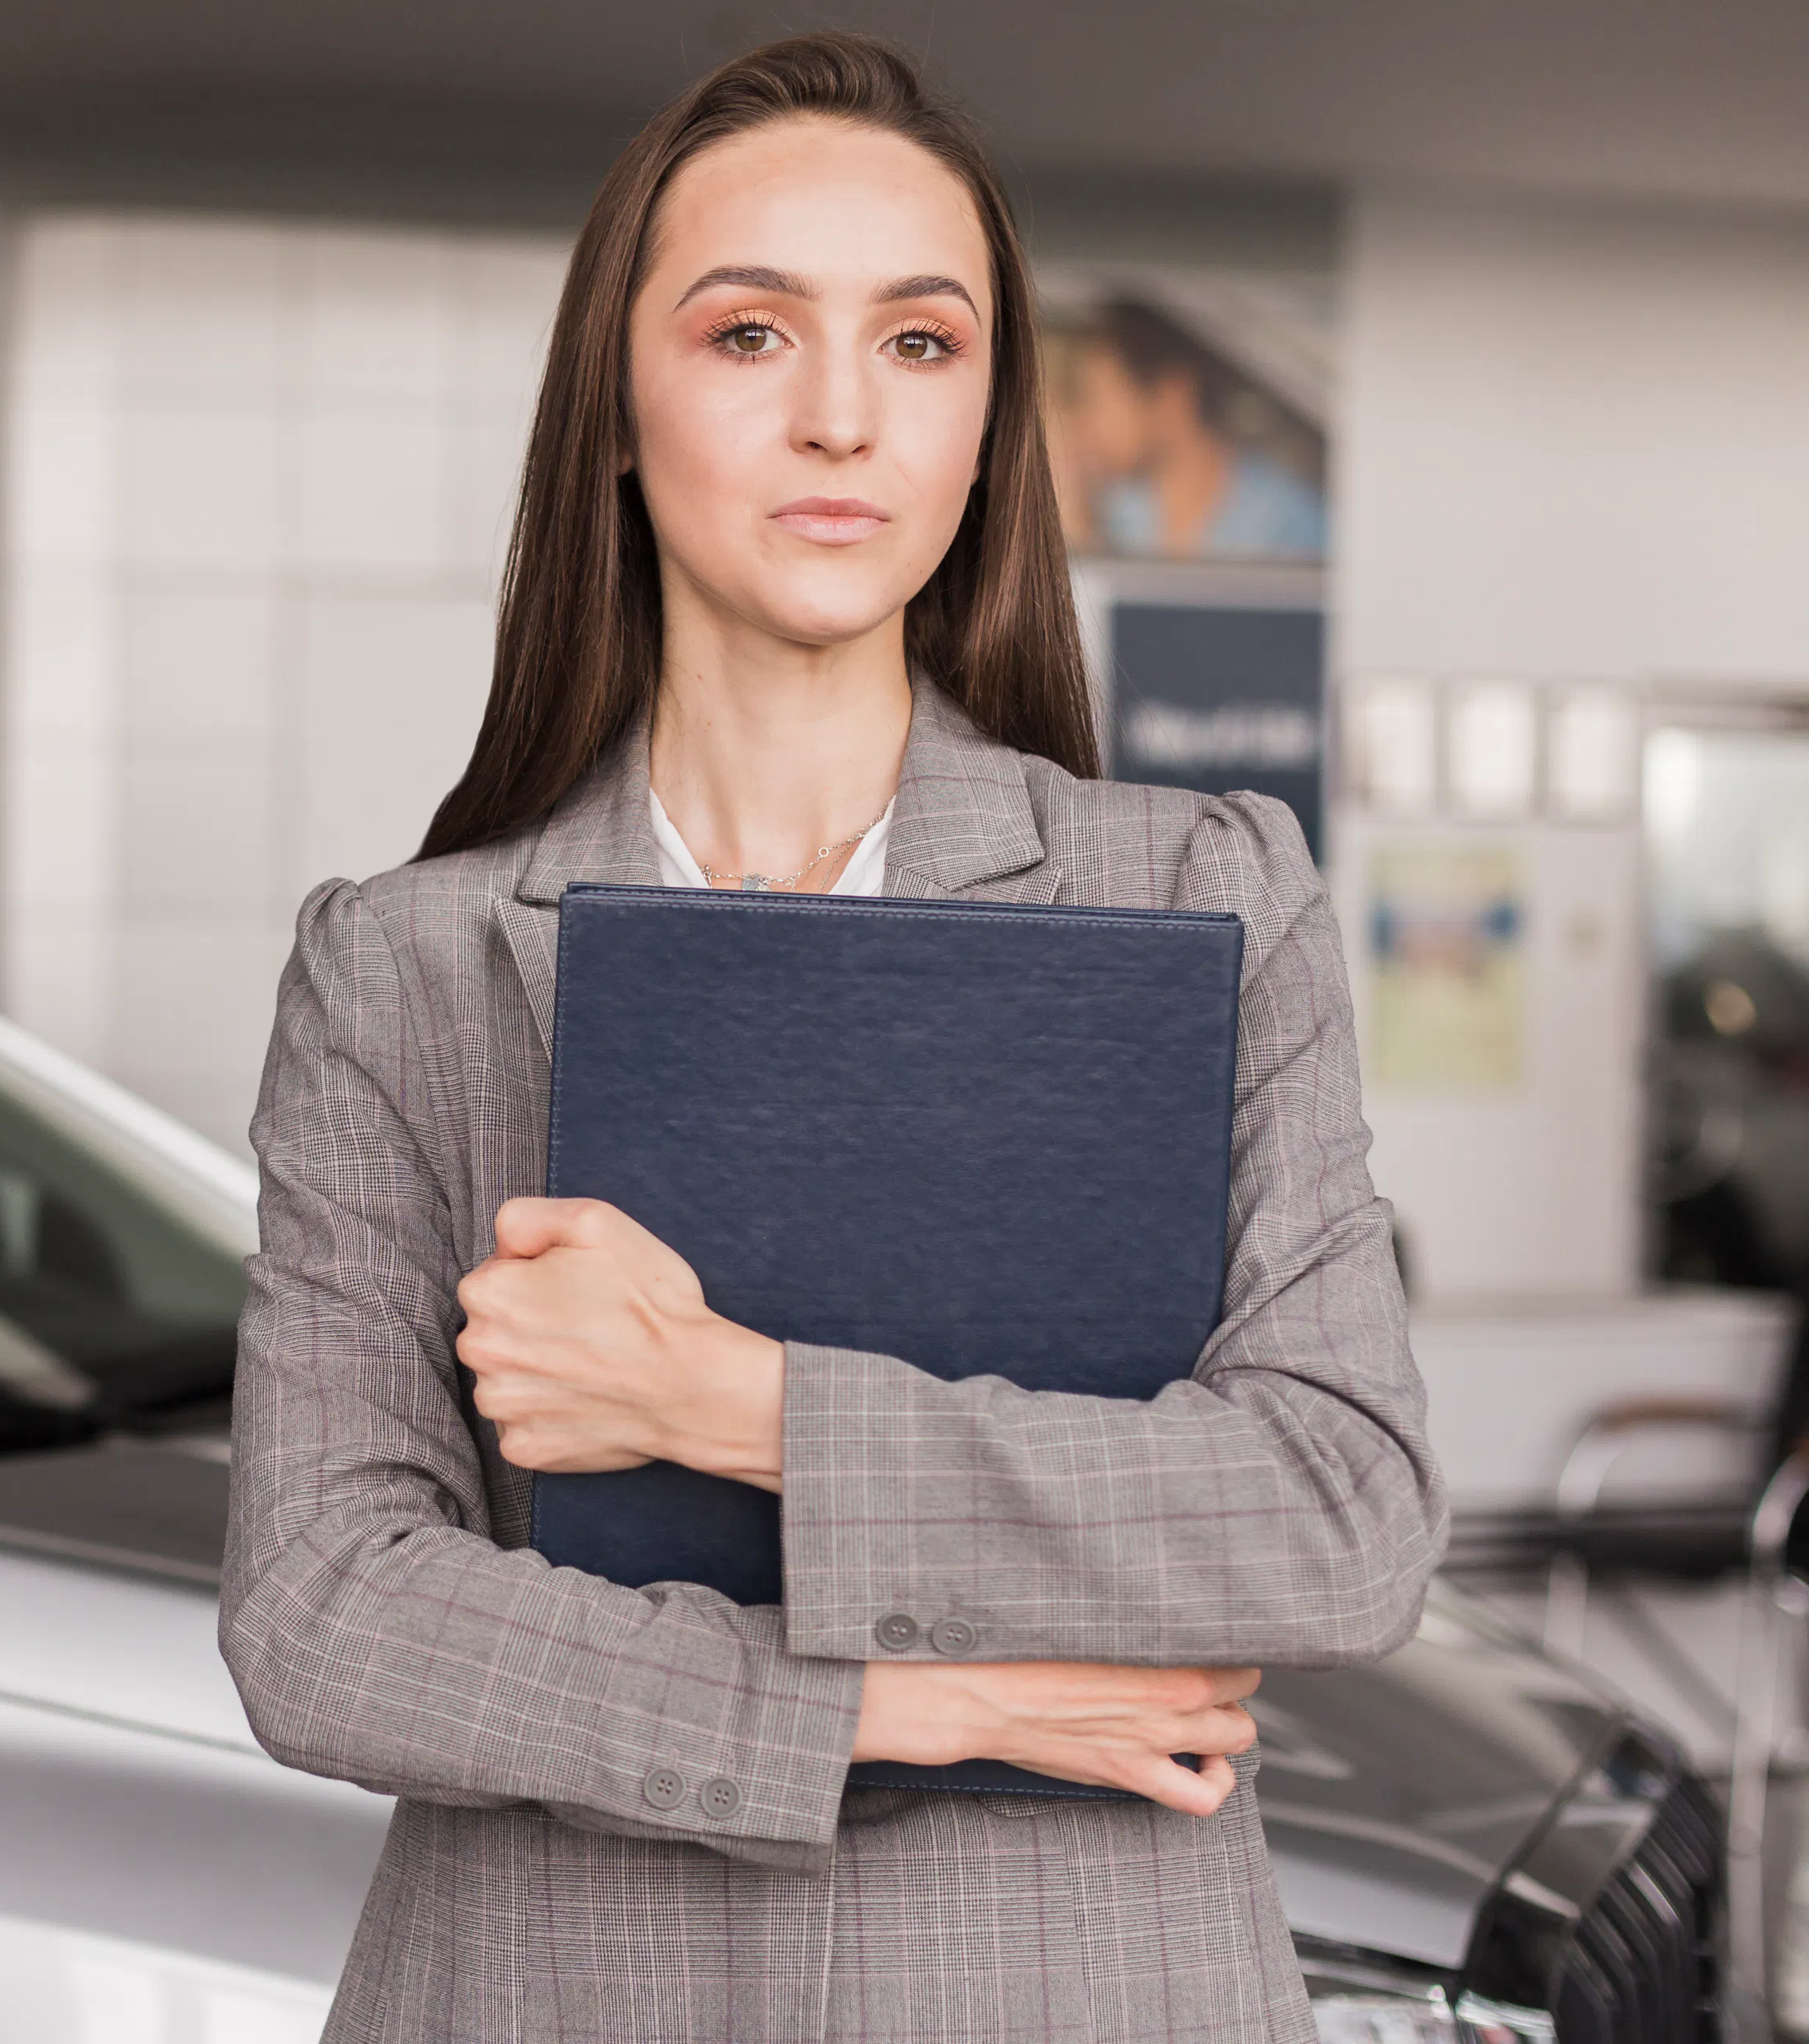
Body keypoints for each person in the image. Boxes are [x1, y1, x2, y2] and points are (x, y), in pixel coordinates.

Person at [222, 34, 1441, 2044]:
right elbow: (325, 1614)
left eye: (918, 343)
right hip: (559, 1975)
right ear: (615, 412)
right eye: (745, 332)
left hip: (1077, 1979)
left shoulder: (1198, 899)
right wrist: (893, 1701)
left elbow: (1332, 1513)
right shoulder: (404, 968)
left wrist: (729, 1399)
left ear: (985, 427)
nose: (835, 416)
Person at [1057, 297, 1326, 560]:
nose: (1084, 421)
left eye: (1098, 398)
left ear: (1172, 396)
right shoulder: (1120, 516)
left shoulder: (1286, 527)